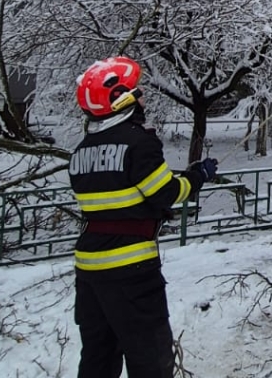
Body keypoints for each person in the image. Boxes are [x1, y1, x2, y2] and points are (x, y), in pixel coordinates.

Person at [69, 56, 218, 378]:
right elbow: (165, 193)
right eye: (137, 92)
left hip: (89, 268)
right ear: (122, 99)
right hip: (130, 268)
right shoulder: (139, 142)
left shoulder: (82, 149)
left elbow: (118, 194)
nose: (142, 98)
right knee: (150, 356)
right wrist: (198, 177)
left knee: (98, 356)